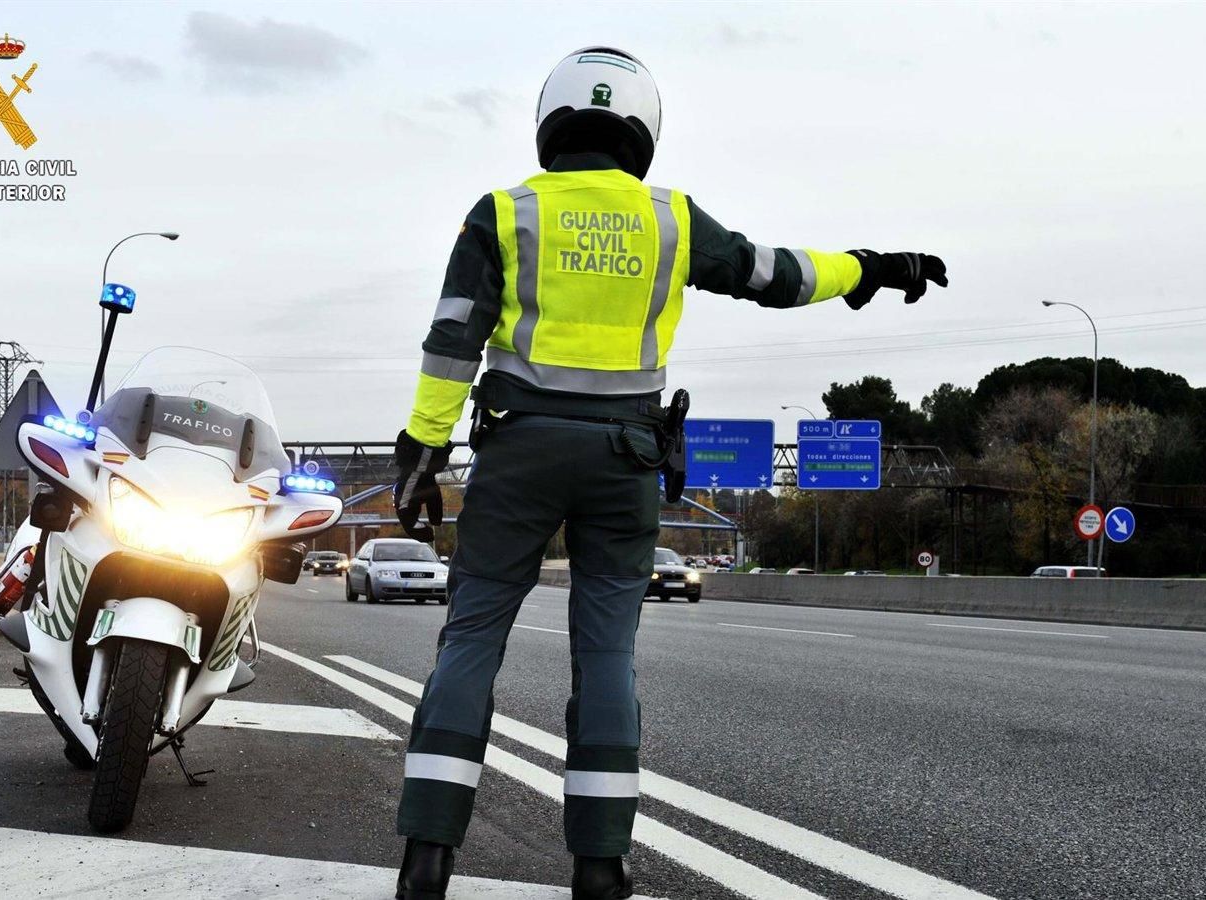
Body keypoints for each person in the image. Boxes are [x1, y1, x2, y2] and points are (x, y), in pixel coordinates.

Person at [390, 46, 948, 900]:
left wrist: (422, 455)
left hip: (518, 454)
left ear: (551, 121)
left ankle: (427, 856)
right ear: (642, 128)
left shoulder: (503, 213)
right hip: (625, 461)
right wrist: (870, 267)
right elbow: (775, 274)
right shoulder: (671, 219)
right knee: (606, 655)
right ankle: (602, 866)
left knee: (470, 640)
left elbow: (452, 339)